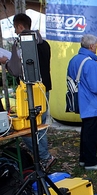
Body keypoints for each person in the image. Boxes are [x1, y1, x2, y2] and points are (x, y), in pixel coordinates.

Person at [0, 13, 55, 171]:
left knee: (26, 128)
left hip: (28, 90)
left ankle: (44, 157)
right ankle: (44, 158)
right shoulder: (44, 43)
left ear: (20, 26)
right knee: (40, 125)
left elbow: (17, 70)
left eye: (16, 28)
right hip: (44, 88)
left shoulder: (20, 44)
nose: (16, 32)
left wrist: (7, 63)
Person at [67, 34, 97, 170]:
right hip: (92, 103)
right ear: (91, 46)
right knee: (92, 133)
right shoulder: (91, 64)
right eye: (96, 45)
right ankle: (91, 162)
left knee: (86, 131)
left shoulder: (74, 60)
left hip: (81, 101)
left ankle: (83, 158)